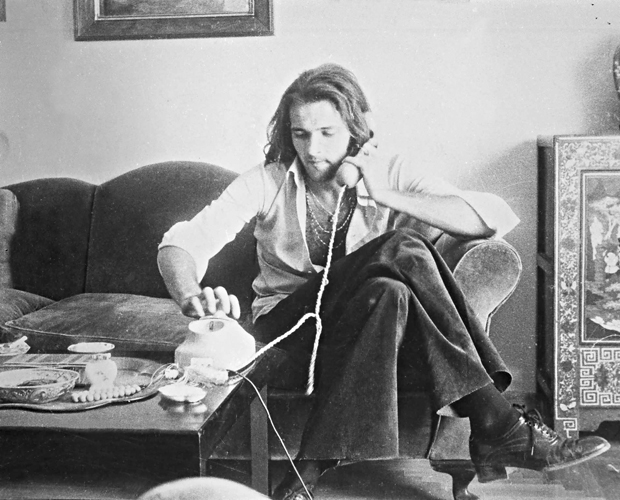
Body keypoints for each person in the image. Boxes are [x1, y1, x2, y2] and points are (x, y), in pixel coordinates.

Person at [158, 63, 609, 500]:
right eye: (300, 134)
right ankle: (497, 422)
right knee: (402, 247)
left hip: (367, 330)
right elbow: (183, 241)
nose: (312, 149)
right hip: (288, 331)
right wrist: (189, 294)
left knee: (388, 292)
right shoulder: (267, 181)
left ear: (357, 130)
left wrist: (384, 193)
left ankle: (309, 468)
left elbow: (490, 218)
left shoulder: (388, 171)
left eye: (327, 133)